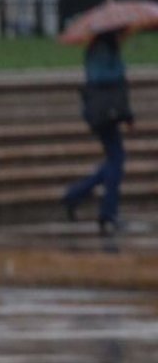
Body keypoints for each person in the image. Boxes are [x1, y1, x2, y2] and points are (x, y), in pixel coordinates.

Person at [64, 30, 134, 237]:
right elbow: (107, 80)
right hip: (105, 113)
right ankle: (107, 213)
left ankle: (75, 195)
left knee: (115, 160)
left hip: (105, 112)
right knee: (117, 159)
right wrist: (119, 67)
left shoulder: (102, 48)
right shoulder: (103, 51)